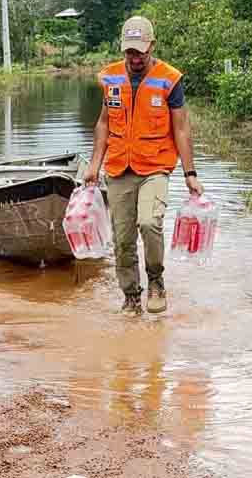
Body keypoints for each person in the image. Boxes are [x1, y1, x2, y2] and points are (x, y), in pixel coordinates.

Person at [84, 16, 204, 315]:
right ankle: (131, 297)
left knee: (149, 223)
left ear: (152, 45)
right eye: (129, 52)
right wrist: (93, 165)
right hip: (118, 169)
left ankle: (156, 280)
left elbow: (181, 129)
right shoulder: (110, 78)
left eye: (140, 51)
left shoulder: (169, 79)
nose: (134, 58)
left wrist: (190, 174)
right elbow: (103, 123)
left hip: (155, 167)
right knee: (123, 240)